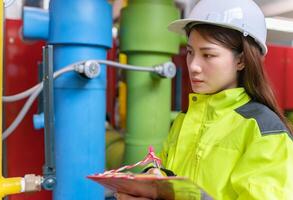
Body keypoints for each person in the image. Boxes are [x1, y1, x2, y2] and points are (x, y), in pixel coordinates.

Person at [116, 0, 293, 199]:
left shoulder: (265, 131)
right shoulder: (185, 119)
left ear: (241, 60)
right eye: (190, 52)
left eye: (208, 55)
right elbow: (170, 176)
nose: (193, 66)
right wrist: (151, 182)